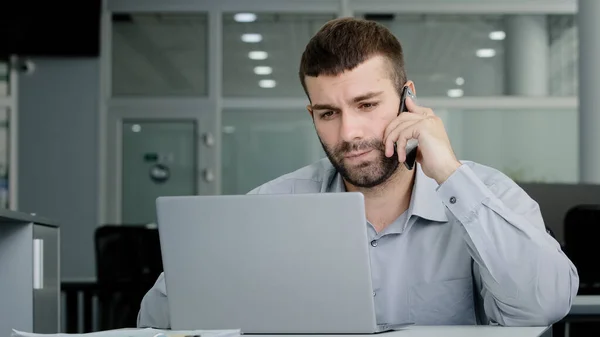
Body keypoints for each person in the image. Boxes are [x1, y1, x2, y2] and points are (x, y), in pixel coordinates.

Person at [137, 17, 578, 329]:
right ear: (311, 113)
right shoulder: (271, 206)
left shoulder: (486, 194)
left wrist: (447, 171)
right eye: (328, 113)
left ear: (408, 100)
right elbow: (155, 322)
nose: (349, 133)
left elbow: (544, 306)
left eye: (367, 105)